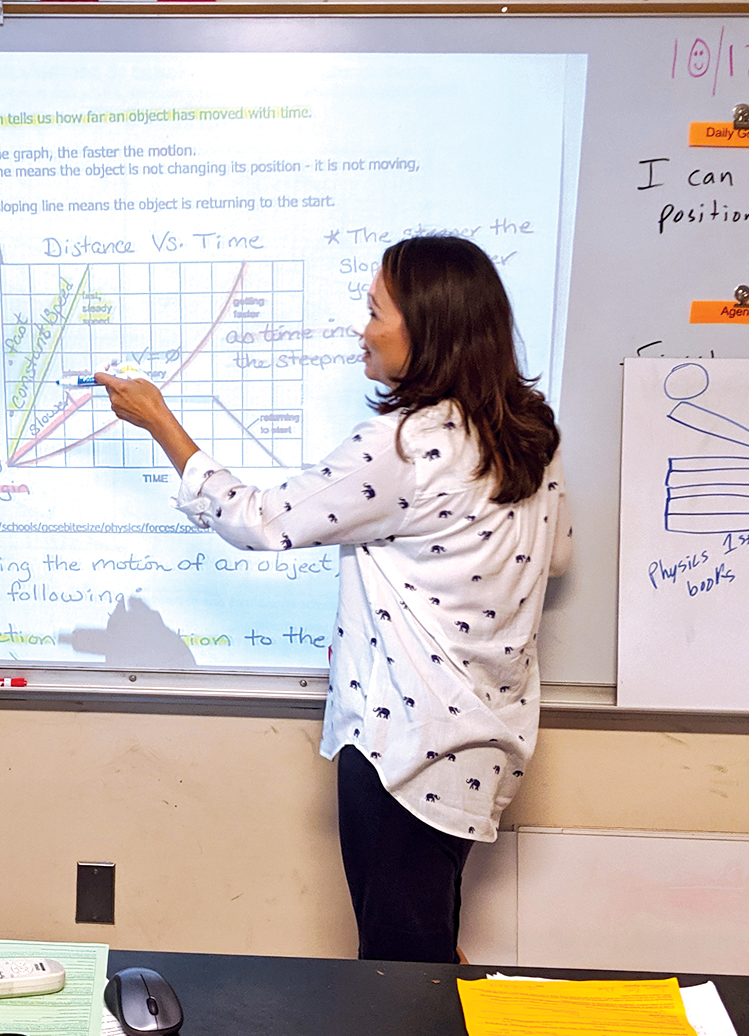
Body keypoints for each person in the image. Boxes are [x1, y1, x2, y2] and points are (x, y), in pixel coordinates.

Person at [99, 235, 570, 963]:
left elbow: (262, 519)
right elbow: (557, 553)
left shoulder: (407, 445)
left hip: (404, 758)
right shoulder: (531, 437)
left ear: (429, 329)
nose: (364, 326)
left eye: (377, 308)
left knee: (400, 982)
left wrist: (161, 421)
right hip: (482, 750)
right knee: (427, 955)